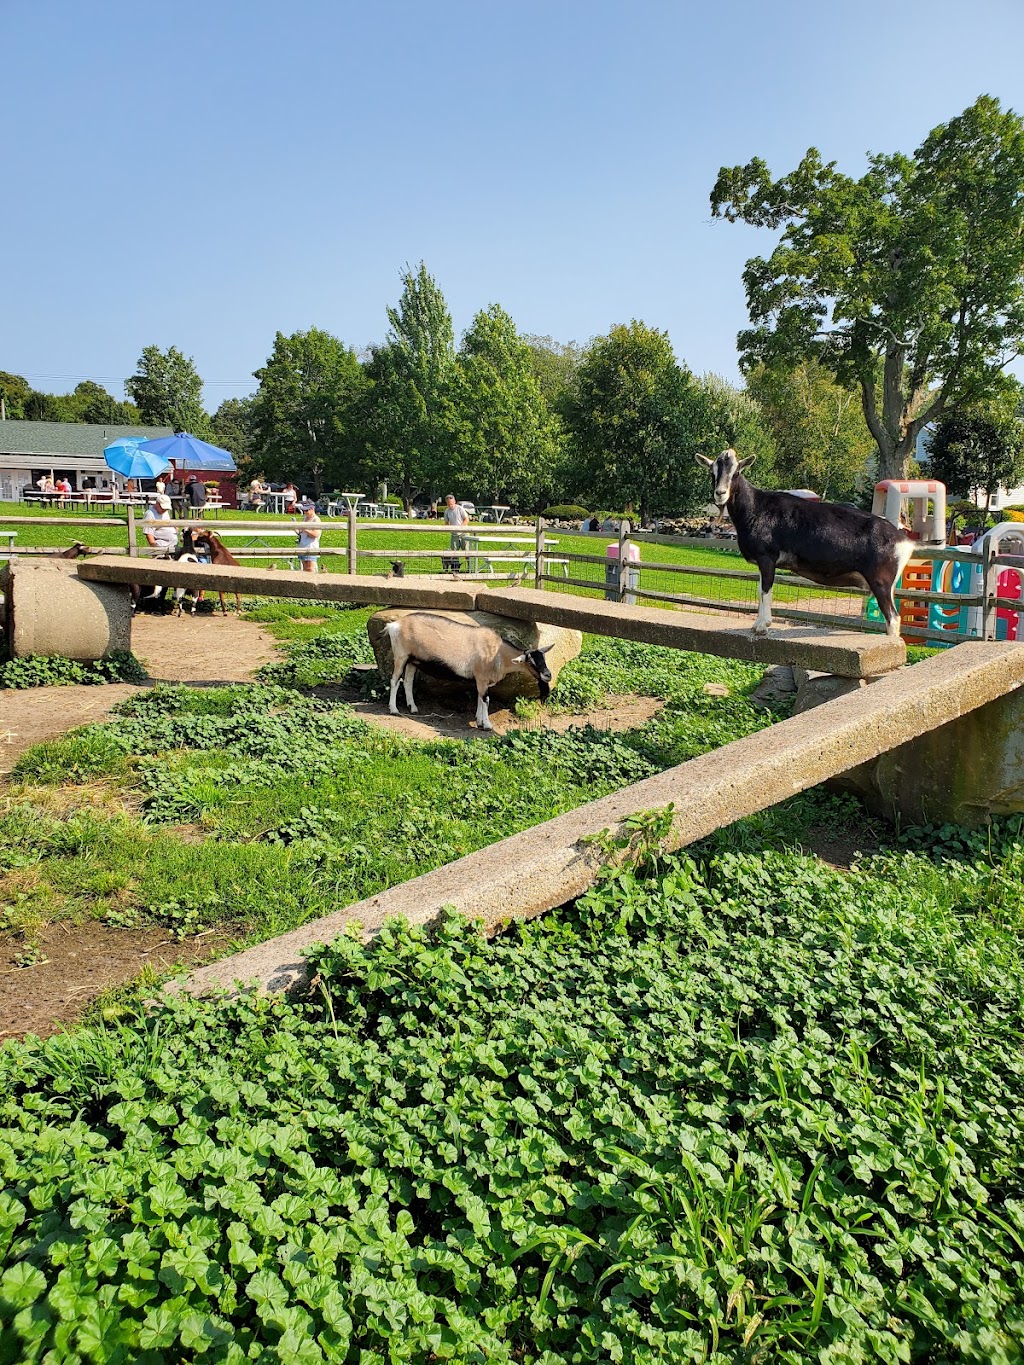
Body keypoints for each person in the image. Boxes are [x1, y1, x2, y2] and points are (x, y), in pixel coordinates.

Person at [443, 493, 470, 571]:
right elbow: (446, 522)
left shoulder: (460, 509)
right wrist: (448, 528)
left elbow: (466, 519)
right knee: (454, 552)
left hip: (464, 533)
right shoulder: (447, 511)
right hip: (454, 534)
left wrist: (461, 527)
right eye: (448, 504)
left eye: (451, 503)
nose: (450, 505)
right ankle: (455, 568)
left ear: (454, 501)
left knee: (467, 551)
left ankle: (469, 568)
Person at [295, 503, 321, 573]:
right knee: (305, 568)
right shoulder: (304, 519)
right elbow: (301, 532)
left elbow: (315, 534)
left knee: (311, 569)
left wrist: (305, 529)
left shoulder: (316, 520)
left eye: (306, 510)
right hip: (302, 546)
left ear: (312, 509)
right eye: (304, 511)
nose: (305, 512)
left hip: (311, 547)